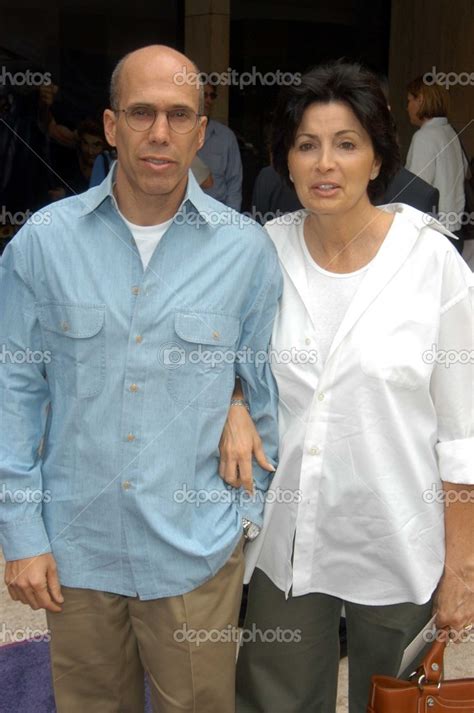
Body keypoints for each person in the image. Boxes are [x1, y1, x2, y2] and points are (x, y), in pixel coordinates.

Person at [0, 45, 281, 713]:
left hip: (194, 554)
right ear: (111, 124)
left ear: (202, 129)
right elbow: (15, 392)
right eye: (142, 112)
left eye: (180, 115)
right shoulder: (43, 243)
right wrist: (22, 533)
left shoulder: (246, 252)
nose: (161, 132)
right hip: (77, 547)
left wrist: (244, 517)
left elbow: (265, 390)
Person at [218, 61, 474, 713]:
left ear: (376, 156)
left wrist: (462, 566)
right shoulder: (261, 252)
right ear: (286, 160)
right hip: (289, 543)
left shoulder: (431, 263)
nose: (325, 163)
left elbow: (463, 428)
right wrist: (237, 403)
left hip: (399, 539)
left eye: (346, 143)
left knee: (396, 702)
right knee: (273, 698)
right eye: (307, 144)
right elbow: (222, 360)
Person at [405, 76, 468, 247]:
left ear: (421, 100)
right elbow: (465, 169)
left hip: (433, 235)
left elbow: (416, 190)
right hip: (455, 232)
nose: (407, 107)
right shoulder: (450, 133)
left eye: (410, 100)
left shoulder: (424, 137)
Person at [197, 82, 243, 210]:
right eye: (204, 95)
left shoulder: (226, 137)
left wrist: (231, 220)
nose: (209, 100)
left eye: (212, 96)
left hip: (217, 215)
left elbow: (234, 182)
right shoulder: (178, 133)